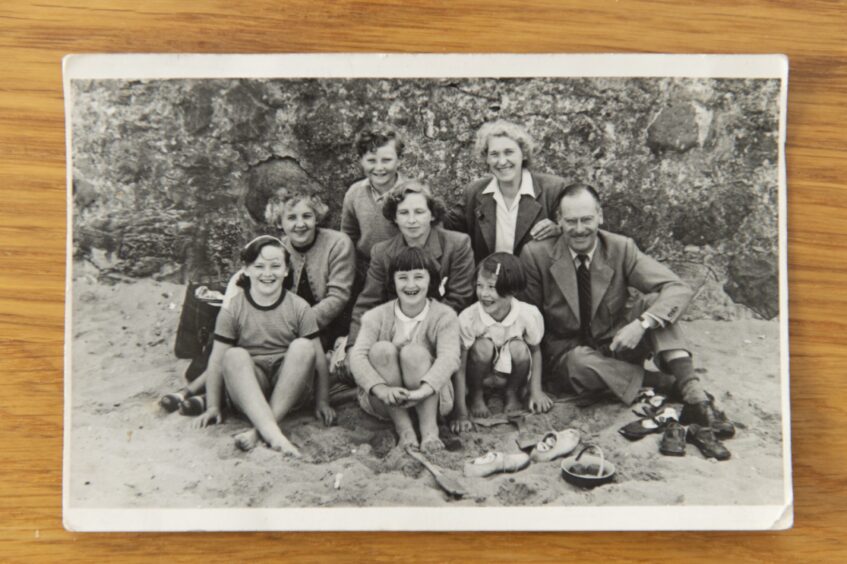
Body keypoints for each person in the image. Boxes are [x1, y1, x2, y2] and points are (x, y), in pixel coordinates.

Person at [519, 183, 735, 456]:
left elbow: (677, 288)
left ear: (600, 216)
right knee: (580, 363)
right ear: (558, 221)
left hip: (617, 342)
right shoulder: (536, 254)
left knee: (655, 304)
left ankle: (693, 392)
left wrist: (642, 323)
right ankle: (669, 383)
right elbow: (529, 320)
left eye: (586, 219)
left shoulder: (621, 248)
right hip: (569, 357)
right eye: (571, 221)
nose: (579, 228)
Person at [161, 190, 355, 412]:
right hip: (284, 320)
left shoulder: (338, 243)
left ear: (317, 217)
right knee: (237, 340)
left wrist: (294, 324)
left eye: (307, 216)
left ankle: (202, 397)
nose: (300, 224)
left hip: (322, 327)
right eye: (291, 218)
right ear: (279, 222)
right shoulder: (278, 248)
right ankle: (193, 393)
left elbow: (338, 298)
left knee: (270, 353)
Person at [191, 236, 335, 457]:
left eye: (275, 266)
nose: (267, 273)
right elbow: (216, 360)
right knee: (234, 355)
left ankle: (261, 432)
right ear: (246, 271)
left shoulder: (299, 307)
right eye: (259, 266)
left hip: (289, 388)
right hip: (250, 390)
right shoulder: (233, 309)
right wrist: (213, 406)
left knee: (303, 347)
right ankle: (274, 434)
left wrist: (322, 401)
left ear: (286, 271)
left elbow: (319, 359)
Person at [345, 179, 475, 357]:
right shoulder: (382, 252)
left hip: (440, 333)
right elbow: (368, 303)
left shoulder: (458, 244)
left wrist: (417, 335)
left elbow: (460, 299)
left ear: (432, 215)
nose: (412, 220)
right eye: (404, 213)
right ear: (394, 218)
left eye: (419, 212)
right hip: (394, 336)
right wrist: (353, 346)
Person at [349, 247, 461, 453]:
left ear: (431, 280)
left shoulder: (445, 316)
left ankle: (429, 431)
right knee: (381, 349)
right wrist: (382, 389)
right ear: (393, 281)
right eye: (403, 277)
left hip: (431, 398)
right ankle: (405, 430)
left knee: (414, 352)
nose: (411, 285)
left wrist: (424, 390)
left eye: (419, 277)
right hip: (385, 401)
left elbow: (450, 358)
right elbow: (356, 357)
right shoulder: (376, 316)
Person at [451, 253, 552, 433]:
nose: (484, 294)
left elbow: (535, 351)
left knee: (519, 348)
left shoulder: (528, 314)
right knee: (483, 347)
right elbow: (461, 365)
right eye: (480, 286)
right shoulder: (469, 317)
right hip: (481, 375)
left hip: (510, 376)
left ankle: (511, 393)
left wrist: (536, 391)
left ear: (512, 289)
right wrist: (460, 412)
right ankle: (477, 396)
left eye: (492, 287)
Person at [445, 119, 568, 262]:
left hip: (536, 281)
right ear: (486, 159)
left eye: (509, 152)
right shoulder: (474, 192)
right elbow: (447, 228)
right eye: (494, 154)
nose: (502, 161)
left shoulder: (553, 189)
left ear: (524, 154)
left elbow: (578, 228)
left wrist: (560, 230)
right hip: (489, 282)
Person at [340, 126, 408, 286]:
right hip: (367, 271)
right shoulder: (354, 193)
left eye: (386, 160)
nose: (379, 168)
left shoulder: (413, 193)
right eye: (371, 161)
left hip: (406, 268)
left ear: (400, 159)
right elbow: (348, 236)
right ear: (360, 161)